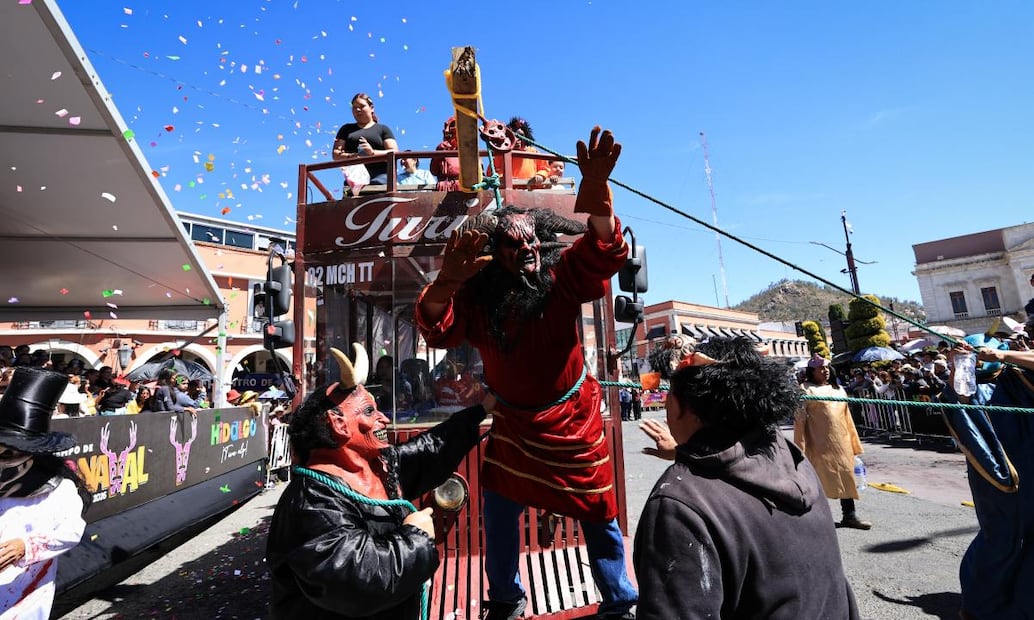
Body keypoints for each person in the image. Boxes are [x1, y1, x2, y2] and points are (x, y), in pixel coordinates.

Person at [416, 126, 637, 620]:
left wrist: (597, 193)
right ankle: (505, 599)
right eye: (517, 245)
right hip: (514, 426)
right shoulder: (478, 300)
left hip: (574, 420)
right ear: (495, 257)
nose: (531, 249)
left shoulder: (561, 279)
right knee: (498, 510)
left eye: (534, 240)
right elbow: (435, 327)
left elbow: (603, 248)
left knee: (598, 510)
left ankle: (620, 601)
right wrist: (447, 280)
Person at [635, 336, 859, 619]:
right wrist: (686, 452)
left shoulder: (680, 504)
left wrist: (690, 460)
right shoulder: (795, 462)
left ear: (680, 406)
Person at [265, 345, 487, 619]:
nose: (383, 418)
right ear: (339, 424)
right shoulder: (310, 501)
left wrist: (482, 410)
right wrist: (416, 538)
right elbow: (357, 581)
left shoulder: (377, 466)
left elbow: (429, 449)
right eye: (370, 411)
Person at [941, 330, 1034, 619]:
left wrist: (1004, 355)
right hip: (997, 480)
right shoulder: (972, 385)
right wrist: (958, 365)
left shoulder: (1019, 377)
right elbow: (960, 399)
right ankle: (980, 606)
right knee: (1001, 536)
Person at [0, 367, 92, 618]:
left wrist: (26, 546)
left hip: (24, 594)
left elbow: (71, 530)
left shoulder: (58, 489)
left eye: (9, 453)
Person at [795, 355, 872, 529]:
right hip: (818, 444)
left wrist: (854, 443)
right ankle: (813, 518)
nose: (825, 371)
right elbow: (799, 420)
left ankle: (849, 516)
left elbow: (847, 418)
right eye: (820, 368)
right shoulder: (805, 390)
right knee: (818, 480)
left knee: (846, 477)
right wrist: (799, 447)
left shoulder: (839, 390)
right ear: (812, 371)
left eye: (827, 368)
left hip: (841, 443)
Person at [332, 92, 398, 185]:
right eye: (354, 108)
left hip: (381, 176)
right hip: (355, 177)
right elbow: (336, 154)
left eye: (362, 106)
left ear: (372, 108)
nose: (357, 110)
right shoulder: (346, 129)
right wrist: (352, 156)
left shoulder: (383, 129)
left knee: (376, 184)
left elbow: (394, 152)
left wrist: (372, 153)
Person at [492, 116, 551, 183]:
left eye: (521, 136)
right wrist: (501, 177)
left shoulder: (533, 152)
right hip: (507, 187)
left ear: (526, 138)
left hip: (529, 188)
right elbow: (492, 171)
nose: (517, 139)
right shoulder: (502, 152)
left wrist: (540, 175)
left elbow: (545, 168)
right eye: (514, 136)